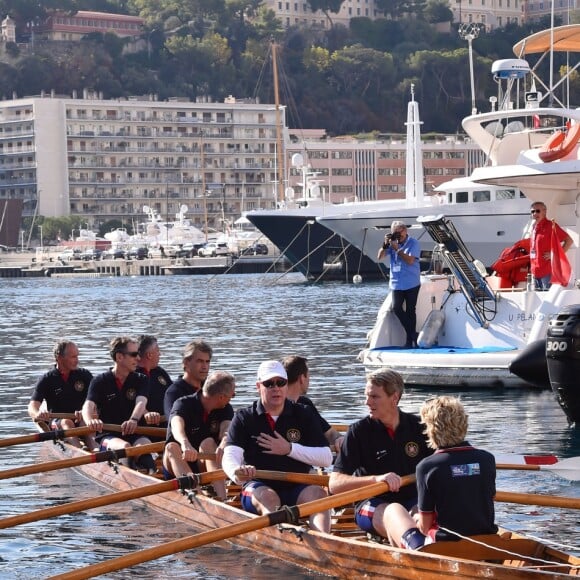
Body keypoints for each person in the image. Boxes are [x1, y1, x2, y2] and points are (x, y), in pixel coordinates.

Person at [222, 360, 333, 532]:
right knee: (269, 497)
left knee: (319, 496)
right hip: (259, 486)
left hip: (298, 486)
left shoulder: (303, 413)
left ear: (287, 385)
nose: (276, 388)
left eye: (281, 382)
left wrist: (289, 449)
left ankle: (325, 543)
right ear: (258, 386)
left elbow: (326, 458)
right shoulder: (244, 417)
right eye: (269, 383)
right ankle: (281, 537)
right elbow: (230, 455)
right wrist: (237, 471)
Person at [383, 395, 497, 550]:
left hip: (444, 546)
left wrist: (416, 519)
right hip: (487, 542)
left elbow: (424, 527)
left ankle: (404, 565)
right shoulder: (487, 460)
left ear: (431, 429)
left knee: (393, 510)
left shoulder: (427, 467)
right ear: (464, 423)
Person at [328, 369, 431, 540]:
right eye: (366, 396)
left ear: (394, 398)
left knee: (425, 514)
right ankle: (417, 547)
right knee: (392, 512)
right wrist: (377, 479)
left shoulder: (420, 427)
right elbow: (334, 484)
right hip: (372, 503)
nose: (367, 402)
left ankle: (426, 543)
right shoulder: (358, 432)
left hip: (413, 500)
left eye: (374, 397)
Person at [82, 336, 156, 473]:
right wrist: (90, 421)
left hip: (136, 432)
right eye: (134, 355)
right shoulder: (99, 381)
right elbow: (88, 405)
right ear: (119, 357)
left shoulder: (142, 380)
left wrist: (134, 419)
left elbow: (141, 401)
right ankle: (133, 479)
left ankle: (150, 476)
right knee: (126, 448)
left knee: (144, 448)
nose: (138, 359)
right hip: (108, 435)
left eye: (138, 354)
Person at [163, 370, 235, 500]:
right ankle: (198, 497)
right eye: (232, 394)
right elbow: (176, 424)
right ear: (221, 397)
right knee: (172, 447)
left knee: (209, 443)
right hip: (177, 463)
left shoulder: (226, 408)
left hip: (202, 464)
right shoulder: (183, 403)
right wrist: (185, 445)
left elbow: (226, 428)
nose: (232, 397)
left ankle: (222, 499)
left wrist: (224, 442)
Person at [28, 340, 95, 449]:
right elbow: (32, 407)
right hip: (59, 422)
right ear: (59, 358)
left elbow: (98, 400)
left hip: (81, 419)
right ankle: (78, 452)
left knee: (87, 422)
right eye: (73, 357)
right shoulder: (47, 379)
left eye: (77, 356)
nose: (77, 360)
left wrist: (87, 412)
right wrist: (38, 414)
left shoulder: (84, 375)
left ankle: (95, 449)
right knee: (67, 422)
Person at [282, 355, 344, 452]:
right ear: (302, 378)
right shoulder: (279, 406)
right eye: (309, 375)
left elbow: (329, 433)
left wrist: (340, 439)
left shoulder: (305, 404)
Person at [377, 221, 421, 348]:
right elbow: (379, 257)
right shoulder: (391, 244)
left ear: (405, 231)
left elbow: (411, 260)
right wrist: (385, 245)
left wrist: (398, 249)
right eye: (395, 232)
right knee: (397, 308)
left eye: (399, 232)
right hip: (396, 283)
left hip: (411, 282)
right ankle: (414, 335)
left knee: (411, 311)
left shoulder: (413, 243)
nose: (398, 235)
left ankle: (409, 342)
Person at [163, 339, 212, 419]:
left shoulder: (211, 388)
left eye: (207, 362)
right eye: (200, 361)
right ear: (186, 363)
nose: (204, 367)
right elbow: (173, 422)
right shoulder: (174, 392)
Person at [530, 201, 573, 290]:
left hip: (547, 272)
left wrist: (554, 254)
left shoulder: (551, 226)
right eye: (532, 211)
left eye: (537, 211)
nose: (535, 214)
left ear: (545, 211)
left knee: (547, 298)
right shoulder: (534, 226)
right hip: (535, 272)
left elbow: (569, 241)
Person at [136, 334, 172, 427]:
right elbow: (129, 401)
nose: (160, 354)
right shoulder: (132, 375)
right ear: (149, 355)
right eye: (157, 350)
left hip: (166, 425)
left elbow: (173, 393)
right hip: (143, 428)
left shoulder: (160, 372)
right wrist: (146, 413)